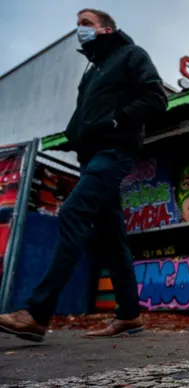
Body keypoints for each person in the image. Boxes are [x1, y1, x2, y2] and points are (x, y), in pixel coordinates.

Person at [0, 9, 168, 342]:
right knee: (111, 236)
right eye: (78, 25)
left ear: (107, 28)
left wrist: (118, 121)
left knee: (74, 213)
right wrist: (76, 136)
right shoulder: (91, 73)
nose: (81, 30)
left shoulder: (131, 55)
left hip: (115, 151)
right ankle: (130, 316)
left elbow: (155, 98)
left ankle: (37, 313)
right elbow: (84, 116)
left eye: (87, 24)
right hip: (90, 158)